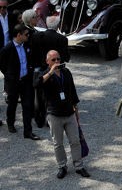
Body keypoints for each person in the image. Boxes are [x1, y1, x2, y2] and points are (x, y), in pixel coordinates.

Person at [37, 50, 90, 178]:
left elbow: (73, 91)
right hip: (54, 115)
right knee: (58, 143)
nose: (57, 62)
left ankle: (79, 166)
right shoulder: (44, 74)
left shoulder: (66, 72)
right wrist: (51, 72)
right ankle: (62, 166)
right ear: (47, 61)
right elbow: (37, 84)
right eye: (53, 60)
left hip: (69, 113)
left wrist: (76, 111)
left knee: (75, 140)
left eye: (58, 59)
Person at [0, 24, 41, 140]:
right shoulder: (7, 49)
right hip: (13, 83)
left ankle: (28, 132)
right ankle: (10, 123)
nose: (28, 36)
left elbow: (30, 60)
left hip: (26, 81)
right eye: (26, 34)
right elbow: (2, 65)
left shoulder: (27, 45)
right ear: (19, 35)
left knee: (27, 106)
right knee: (12, 104)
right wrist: (9, 75)